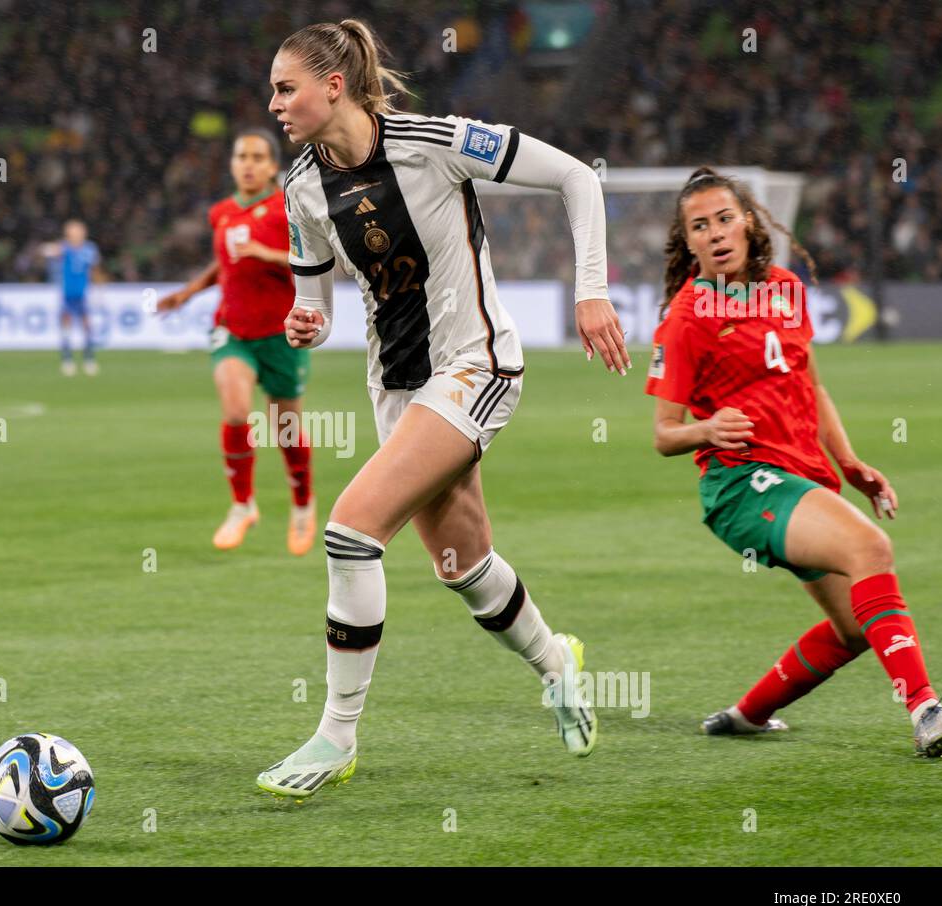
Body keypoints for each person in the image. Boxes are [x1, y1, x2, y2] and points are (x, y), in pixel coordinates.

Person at [256, 19, 629, 800]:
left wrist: (590, 290)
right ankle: (558, 662)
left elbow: (577, 179)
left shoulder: (437, 140)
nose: (274, 103)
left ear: (334, 87)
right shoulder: (299, 186)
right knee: (464, 567)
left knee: (351, 532)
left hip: (475, 363)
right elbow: (313, 298)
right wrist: (307, 320)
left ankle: (336, 736)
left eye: (286, 88)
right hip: (396, 387)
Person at [646, 166, 942, 757]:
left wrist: (851, 462)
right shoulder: (684, 320)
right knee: (872, 550)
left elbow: (811, 384)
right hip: (741, 488)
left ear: (749, 223)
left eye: (725, 218)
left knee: (855, 630)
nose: (715, 233)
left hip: (799, 476)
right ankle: (926, 710)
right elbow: (663, 434)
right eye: (699, 226)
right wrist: (707, 428)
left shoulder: (785, 288)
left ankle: (746, 716)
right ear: (688, 243)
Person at [157, 130, 316, 554]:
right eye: (241, 155)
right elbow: (224, 265)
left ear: (271, 166)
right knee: (235, 411)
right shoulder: (222, 212)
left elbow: (318, 261)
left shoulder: (289, 210)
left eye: (257, 157)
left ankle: (302, 504)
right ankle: (242, 505)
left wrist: (268, 255)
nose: (247, 163)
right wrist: (187, 293)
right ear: (232, 164)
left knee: (285, 429)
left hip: (281, 334)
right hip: (233, 329)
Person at [40, 220, 101, 376]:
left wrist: (98, 289)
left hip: (83, 295)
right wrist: (46, 250)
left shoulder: (89, 249)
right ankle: (67, 359)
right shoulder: (65, 248)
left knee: (87, 326)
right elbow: (46, 251)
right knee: (66, 326)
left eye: (79, 231)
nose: (77, 234)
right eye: (73, 232)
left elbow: (95, 270)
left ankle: (89, 358)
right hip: (67, 294)